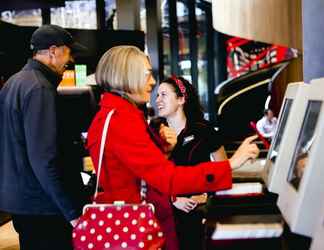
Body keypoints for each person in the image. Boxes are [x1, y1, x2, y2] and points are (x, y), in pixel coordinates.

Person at [86, 45, 259, 249]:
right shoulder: (123, 120)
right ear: (127, 75)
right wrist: (230, 164)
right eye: (147, 75)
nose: (151, 83)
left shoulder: (115, 115)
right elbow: (168, 179)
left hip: (133, 223)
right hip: (135, 228)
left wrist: (164, 150)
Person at [0, 24, 87, 250]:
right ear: (53, 51)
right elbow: (44, 158)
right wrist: (72, 212)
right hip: (44, 207)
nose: (70, 60)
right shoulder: (40, 88)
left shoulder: (13, 82)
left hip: (21, 203)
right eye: (68, 52)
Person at [154, 76, 228, 250]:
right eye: (157, 95)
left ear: (181, 99)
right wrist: (174, 199)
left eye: (163, 95)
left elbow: (222, 169)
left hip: (197, 212)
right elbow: (150, 179)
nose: (158, 100)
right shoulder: (154, 132)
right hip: (165, 214)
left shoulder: (204, 130)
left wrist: (207, 194)